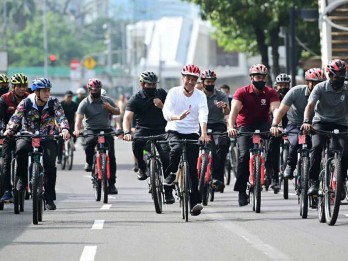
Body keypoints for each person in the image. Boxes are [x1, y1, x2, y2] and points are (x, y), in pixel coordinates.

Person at [4, 78, 70, 210]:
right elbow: (15, 118)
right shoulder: (26, 102)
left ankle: (49, 198)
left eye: (49, 90)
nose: (47, 93)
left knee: (50, 164)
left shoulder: (53, 102)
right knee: (21, 150)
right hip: (28, 134)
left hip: (47, 136)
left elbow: (61, 117)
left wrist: (64, 129)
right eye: (44, 91)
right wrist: (9, 130)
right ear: (36, 92)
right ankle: (22, 179)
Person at [227, 64, 280, 206]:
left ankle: (271, 171)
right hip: (245, 125)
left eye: (263, 77)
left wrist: (276, 125)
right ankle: (241, 192)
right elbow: (234, 112)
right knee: (244, 156)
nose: (260, 80)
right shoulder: (241, 92)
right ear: (252, 78)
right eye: (258, 77)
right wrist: (231, 127)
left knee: (277, 137)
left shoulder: (271, 92)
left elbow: (275, 109)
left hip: (264, 123)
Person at [162, 64, 209, 216]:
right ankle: (171, 174)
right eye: (188, 78)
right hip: (174, 129)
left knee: (192, 170)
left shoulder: (200, 95)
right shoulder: (174, 92)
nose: (190, 82)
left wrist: (203, 133)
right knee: (175, 150)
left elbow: (203, 114)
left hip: (192, 132)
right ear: (182, 78)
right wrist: (177, 117)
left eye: (194, 79)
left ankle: (195, 202)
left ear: (197, 81)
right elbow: (166, 112)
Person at [122, 71, 172, 203]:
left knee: (167, 159)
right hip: (143, 130)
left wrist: (162, 106)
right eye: (149, 84)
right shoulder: (136, 98)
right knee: (136, 143)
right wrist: (127, 132)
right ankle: (142, 167)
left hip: (162, 129)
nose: (151, 87)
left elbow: (172, 111)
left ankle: (168, 193)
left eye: (154, 84)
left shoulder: (162, 94)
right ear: (142, 84)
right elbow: (127, 117)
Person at [302, 59, 348, 196]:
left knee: (346, 152)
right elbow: (310, 106)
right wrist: (306, 121)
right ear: (329, 74)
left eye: (342, 75)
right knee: (316, 147)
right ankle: (313, 182)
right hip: (321, 122)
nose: (339, 78)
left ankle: (341, 182)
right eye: (336, 75)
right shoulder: (320, 87)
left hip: (341, 123)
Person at [270, 68, 326, 180]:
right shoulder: (295, 91)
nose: (317, 86)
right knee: (295, 142)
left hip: (316, 124)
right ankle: (290, 165)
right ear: (307, 83)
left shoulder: (325, 94)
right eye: (314, 83)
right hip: (295, 124)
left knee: (317, 147)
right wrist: (275, 125)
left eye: (320, 84)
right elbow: (281, 110)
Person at [73, 78, 120, 195]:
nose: (97, 92)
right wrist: (77, 129)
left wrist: (110, 108)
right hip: (91, 129)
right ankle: (89, 162)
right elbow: (79, 118)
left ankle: (112, 184)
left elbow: (118, 112)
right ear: (89, 90)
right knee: (88, 143)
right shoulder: (84, 103)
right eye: (94, 90)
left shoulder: (107, 100)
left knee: (112, 157)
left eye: (98, 90)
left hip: (106, 129)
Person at [0, 73, 30, 202]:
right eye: (19, 86)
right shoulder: (4, 98)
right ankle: (7, 190)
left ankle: (24, 183)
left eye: (24, 86)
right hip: (8, 132)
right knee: (7, 161)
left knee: (23, 155)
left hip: (25, 133)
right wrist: (3, 130)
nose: (22, 89)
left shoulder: (30, 98)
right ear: (13, 87)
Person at [201, 69, 230, 191]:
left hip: (218, 124)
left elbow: (227, 112)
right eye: (207, 81)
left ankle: (218, 177)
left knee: (223, 144)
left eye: (212, 81)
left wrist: (224, 107)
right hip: (201, 125)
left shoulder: (221, 95)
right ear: (202, 82)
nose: (210, 84)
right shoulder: (197, 95)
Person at [57, 90, 78, 164]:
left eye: (71, 97)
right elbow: (56, 115)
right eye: (68, 97)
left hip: (71, 122)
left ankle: (72, 145)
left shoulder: (74, 104)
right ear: (65, 97)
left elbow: (78, 114)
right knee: (60, 140)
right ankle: (59, 157)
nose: (69, 98)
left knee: (75, 134)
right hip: (61, 123)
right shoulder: (60, 104)